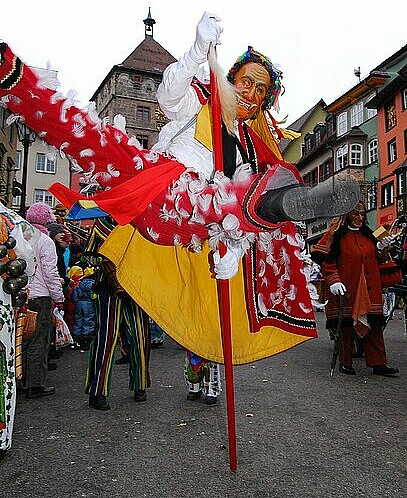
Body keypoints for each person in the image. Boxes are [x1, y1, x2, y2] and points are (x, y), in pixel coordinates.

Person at [0, 18, 359, 369]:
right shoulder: (200, 99)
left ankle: (283, 203)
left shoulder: (252, 147)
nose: (250, 93)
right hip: (156, 181)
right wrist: (196, 52)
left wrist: (234, 247)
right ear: (230, 79)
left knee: (231, 198)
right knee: (96, 139)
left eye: (260, 90)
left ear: (266, 101)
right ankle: (15, 80)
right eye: (246, 82)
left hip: (195, 218)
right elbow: (168, 95)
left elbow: (230, 197)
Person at [311, 202, 399, 376]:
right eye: (355, 214)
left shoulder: (369, 236)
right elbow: (327, 261)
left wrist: (381, 248)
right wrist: (334, 280)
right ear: (347, 216)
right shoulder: (336, 236)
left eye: (362, 214)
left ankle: (379, 363)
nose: (359, 218)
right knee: (345, 328)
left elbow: (380, 260)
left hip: (369, 289)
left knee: (374, 327)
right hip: (347, 288)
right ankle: (345, 362)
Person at [85, 256, 150, 411]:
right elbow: (92, 258)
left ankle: (140, 384)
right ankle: (97, 391)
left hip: (137, 285)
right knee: (106, 338)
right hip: (108, 289)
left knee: (140, 336)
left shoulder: (140, 230)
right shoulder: (101, 230)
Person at [0, 203, 36, 453]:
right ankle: (1, 437)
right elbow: (27, 263)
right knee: (4, 366)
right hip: (1, 304)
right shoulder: (8, 219)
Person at [24, 202, 65, 397]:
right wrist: (59, 297)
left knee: (22, 339)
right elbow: (50, 272)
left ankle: (21, 380)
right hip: (40, 296)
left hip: (22, 294)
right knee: (39, 340)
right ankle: (36, 384)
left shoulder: (22, 236)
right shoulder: (45, 241)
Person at [71, 267, 96, 351]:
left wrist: (76, 302)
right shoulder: (93, 284)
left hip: (79, 304)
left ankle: (76, 338)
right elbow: (94, 296)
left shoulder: (79, 284)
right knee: (88, 320)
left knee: (78, 320)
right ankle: (86, 339)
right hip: (88, 304)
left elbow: (74, 296)